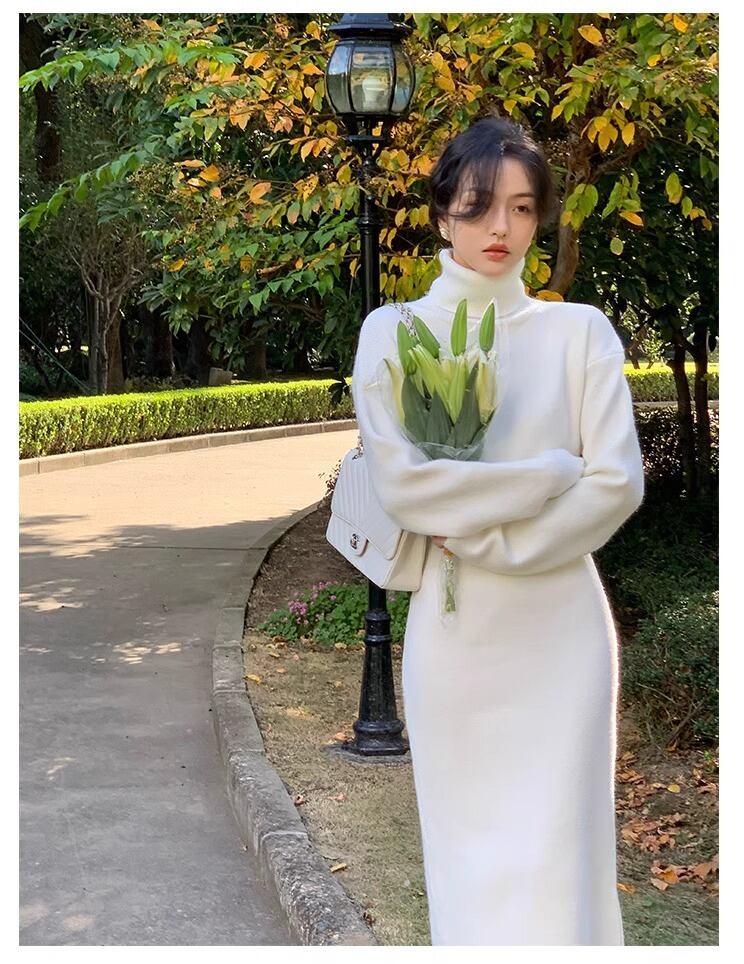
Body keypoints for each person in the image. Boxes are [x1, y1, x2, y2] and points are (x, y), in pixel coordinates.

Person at [349, 115, 645, 946]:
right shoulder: (393, 333)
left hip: (560, 635)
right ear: (442, 213)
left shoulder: (578, 333)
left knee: (562, 857)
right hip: (458, 640)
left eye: (521, 207)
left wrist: (488, 540)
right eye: (479, 206)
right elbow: (406, 486)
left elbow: (617, 483)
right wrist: (550, 473)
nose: (501, 229)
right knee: (468, 858)